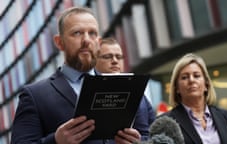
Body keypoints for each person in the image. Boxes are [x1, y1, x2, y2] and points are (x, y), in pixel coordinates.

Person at [11, 7, 154, 144]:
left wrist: (138, 142)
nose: (86, 40)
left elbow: (152, 136)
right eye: (77, 33)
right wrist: (55, 141)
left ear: (98, 42)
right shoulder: (34, 95)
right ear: (59, 42)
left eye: (92, 33)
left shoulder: (125, 87)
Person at [160, 53, 227, 144]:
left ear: (206, 84)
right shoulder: (165, 123)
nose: (191, 80)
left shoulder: (225, 116)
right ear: (177, 88)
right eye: (184, 77)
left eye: (197, 75)